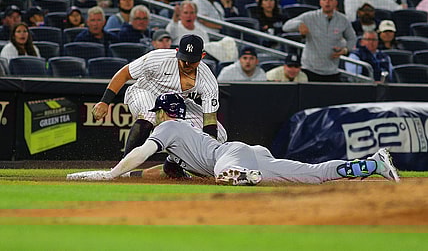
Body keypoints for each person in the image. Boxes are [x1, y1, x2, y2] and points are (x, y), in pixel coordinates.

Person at [67, 93, 400, 185]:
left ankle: (242, 178)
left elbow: (141, 152)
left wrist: (113, 174)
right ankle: (372, 163)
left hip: (230, 156)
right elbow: (162, 170)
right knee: (311, 174)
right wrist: (129, 177)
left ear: (163, 113)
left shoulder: (167, 129)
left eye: (156, 112)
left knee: (224, 176)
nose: (154, 116)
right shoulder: (182, 133)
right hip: (249, 154)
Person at [90, 34, 227, 178]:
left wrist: (205, 148)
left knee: (220, 136)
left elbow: (210, 118)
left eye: (192, 61)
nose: (186, 64)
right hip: (146, 91)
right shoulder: (157, 59)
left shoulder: (207, 80)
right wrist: (105, 101)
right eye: (184, 59)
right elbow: (124, 74)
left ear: (202, 56)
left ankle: (172, 165)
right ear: (176, 52)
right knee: (150, 115)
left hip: (178, 102)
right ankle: (123, 168)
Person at [283, 0, 357, 82]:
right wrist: (299, 25)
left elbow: (352, 39)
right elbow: (286, 26)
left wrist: (346, 50)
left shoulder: (343, 20)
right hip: (309, 70)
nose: (327, 2)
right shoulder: (309, 17)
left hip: (332, 71)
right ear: (320, 2)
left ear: (336, 2)